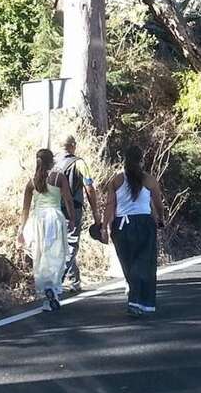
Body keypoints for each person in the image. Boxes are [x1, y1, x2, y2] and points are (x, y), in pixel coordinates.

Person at [102, 146, 165, 317]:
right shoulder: (149, 180)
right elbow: (158, 204)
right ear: (141, 160)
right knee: (144, 263)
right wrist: (160, 218)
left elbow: (110, 205)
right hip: (144, 224)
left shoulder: (116, 180)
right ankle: (140, 302)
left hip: (122, 226)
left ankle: (134, 299)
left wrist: (104, 226)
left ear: (124, 160)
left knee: (128, 264)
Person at [17, 149, 76, 312]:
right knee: (56, 255)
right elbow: (68, 200)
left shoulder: (31, 182)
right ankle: (53, 288)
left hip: (37, 219)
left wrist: (21, 230)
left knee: (40, 255)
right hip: (54, 218)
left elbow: (25, 209)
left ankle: (47, 290)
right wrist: (72, 218)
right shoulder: (59, 177)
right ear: (52, 161)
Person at [55, 135, 101, 293]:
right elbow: (89, 186)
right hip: (73, 208)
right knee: (71, 243)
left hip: (53, 209)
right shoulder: (79, 163)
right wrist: (95, 211)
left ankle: (75, 280)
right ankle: (57, 281)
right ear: (73, 146)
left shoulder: (53, 164)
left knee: (61, 245)